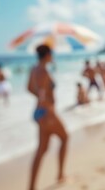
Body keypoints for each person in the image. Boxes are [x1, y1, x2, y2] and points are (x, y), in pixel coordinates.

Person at [27, 44, 68, 190]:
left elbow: (29, 88)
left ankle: (31, 186)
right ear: (47, 55)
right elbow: (43, 93)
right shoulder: (43, 71)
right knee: (65, 137)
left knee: (42, 150)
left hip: (39, 112)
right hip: (47, 112)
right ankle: (60, 174)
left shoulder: (34, 69)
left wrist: (40, 97)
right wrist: (47, 103)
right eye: (52, 54)